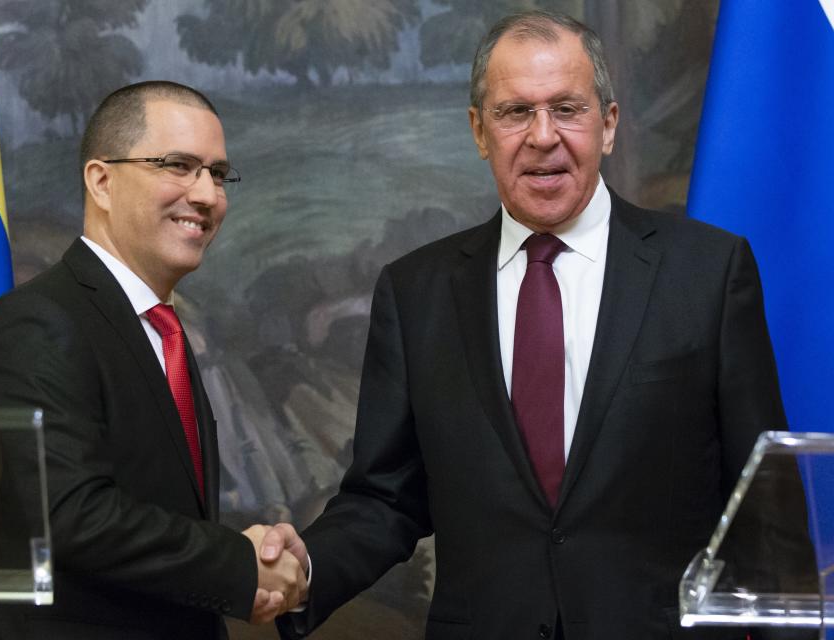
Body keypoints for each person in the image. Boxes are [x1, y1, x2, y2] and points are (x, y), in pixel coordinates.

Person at [272, 11, 813, 640]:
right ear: (479, 131)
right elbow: (385, 498)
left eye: (567, 108)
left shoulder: (709, 272)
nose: (542, 136)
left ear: (608, 125)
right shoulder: (417, 291)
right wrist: (303, 567)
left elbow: (766, 511)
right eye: (514, 112)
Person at [0, 81, 306, 640]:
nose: (207, 195)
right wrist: (240, 564)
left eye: (218, 174)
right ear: (101, 181)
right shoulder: (37, 320)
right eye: (179, 166)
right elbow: (70, 517)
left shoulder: (161, 328)